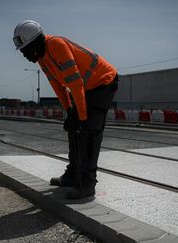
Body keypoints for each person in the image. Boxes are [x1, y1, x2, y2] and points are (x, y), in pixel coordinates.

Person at [13, 20, 118, 199]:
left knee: (88, 132)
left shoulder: (56, 45)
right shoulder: (42, 58)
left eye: (25, 50)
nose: (24, 55)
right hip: (85, 88)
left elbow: (75, 83)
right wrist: (69, 111)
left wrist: (83, 117)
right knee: (72, 128)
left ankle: (86, 185)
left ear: (35, 42)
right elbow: (57, 85)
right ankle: (71, 176)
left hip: (103, 82)